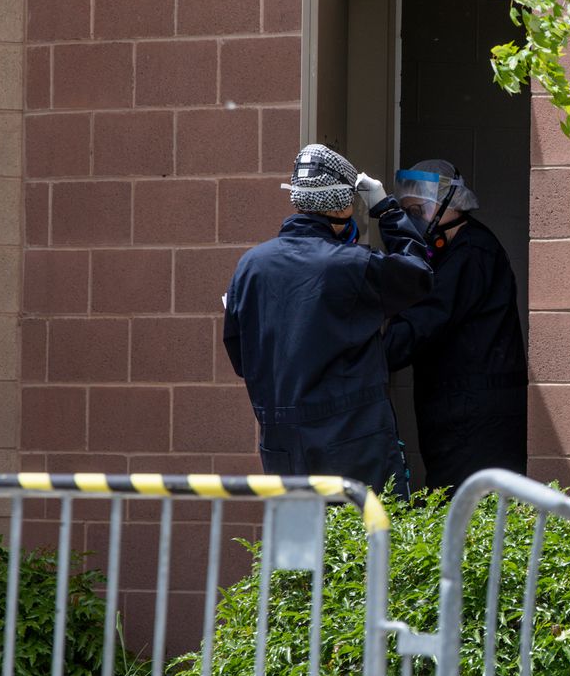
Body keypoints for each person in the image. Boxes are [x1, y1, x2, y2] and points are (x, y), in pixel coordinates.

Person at [223, 143, 432, 493]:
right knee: (367, 541)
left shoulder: (250, 266)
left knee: (300, 541)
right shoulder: (351, 264)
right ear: (342, 204)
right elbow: (419, 275)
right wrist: (387, 209)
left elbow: (240, 357)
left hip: (281, 443)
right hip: (353, 439)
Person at [384, 160, 528, 493]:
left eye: (418, 209)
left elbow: (427, 318)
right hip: (459, 410)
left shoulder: (471, 252)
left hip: (474, 417)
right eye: (407, 211)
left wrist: (371, 354)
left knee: (467, 511)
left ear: (449, 202)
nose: (413, 219)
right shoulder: (456, 251)